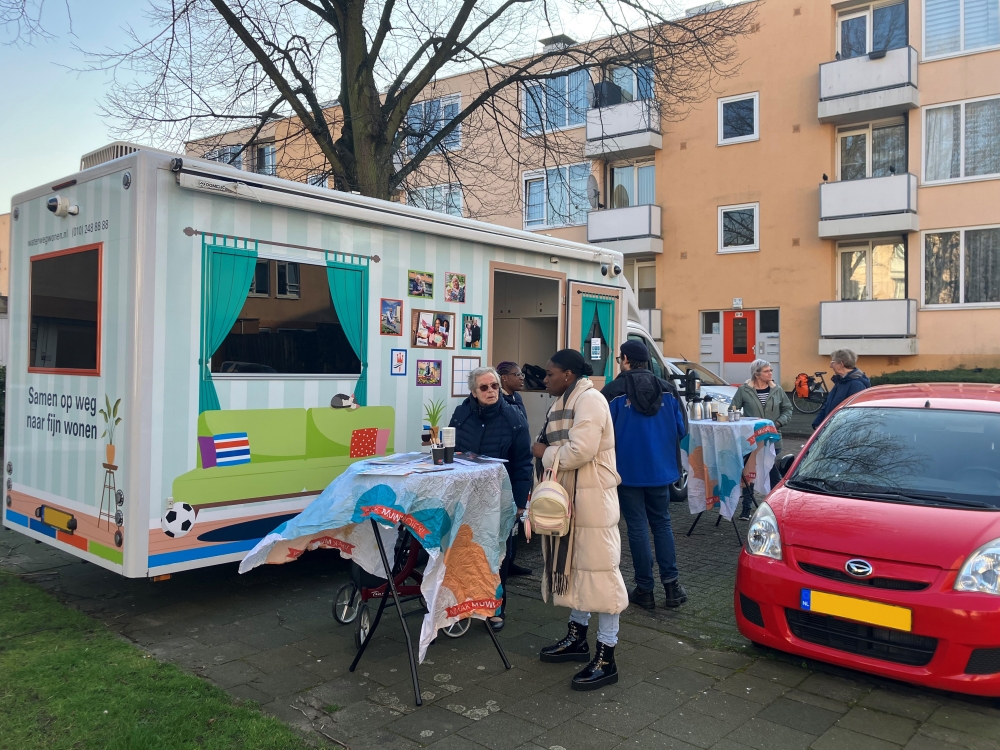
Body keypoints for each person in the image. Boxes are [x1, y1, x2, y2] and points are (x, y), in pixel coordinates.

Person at [532, 349, 628, 691]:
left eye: (550, 373)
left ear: (568, 375)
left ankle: (607, 656)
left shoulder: (589, 401)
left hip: (593, 501)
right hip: (575, 497)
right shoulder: (567, 399)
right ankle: (578, 638)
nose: (545, 380)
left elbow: (578, 452)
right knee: (576, 567)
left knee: (601, 574)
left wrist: (545, 454)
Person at [602, 339, 689, 611]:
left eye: (619, 358)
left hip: (626, 472)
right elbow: (682, 429)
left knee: (637, 527)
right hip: (662, 471)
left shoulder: (612, 392)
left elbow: (602, 434)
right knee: (662, 524)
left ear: (626, 359)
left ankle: (645, 589)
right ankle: (672, 587)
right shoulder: (668, 389)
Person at [448, 366, 532, 632]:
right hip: (466, 495)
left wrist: (520, 502)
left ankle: (496, 609)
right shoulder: (461, 414)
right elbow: (451, 450)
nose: (491, 391)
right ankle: (463, 604)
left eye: (494, 386)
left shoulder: (514, 418)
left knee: (497, 555)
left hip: (500, 498)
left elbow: (523, 464)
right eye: (484, 387)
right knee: (463, 551)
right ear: (474, 391)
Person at [730, 358, 793, 520]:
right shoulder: (744, 390)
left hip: (773, 438)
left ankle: (776, 508)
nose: (771, 373)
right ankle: (746, 509)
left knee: (774, 475)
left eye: (771, 370)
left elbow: (788, 409)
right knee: (749, 474)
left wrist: (778, 423)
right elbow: (733, 409)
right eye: (767, 371)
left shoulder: (777, 390)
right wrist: (743, 423)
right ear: (757, 374)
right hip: (751, 440)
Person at [495, 361, 531, 577]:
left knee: (517, 518)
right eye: (517, 375)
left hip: (519, 464)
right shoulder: (498, 402)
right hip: (504, 467)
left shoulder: (517, 399)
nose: (522, 378)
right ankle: (504, 562)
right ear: (504, 378)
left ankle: (511, 560)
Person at [812, 348, 871, 430]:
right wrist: (817, 423)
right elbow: (828, 404)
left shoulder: (857, 385)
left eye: (833, 362)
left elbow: (854, 414)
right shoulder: (840, 381)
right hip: (832, 429)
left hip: (842, 432)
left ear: (841, 364)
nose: (830, 366)